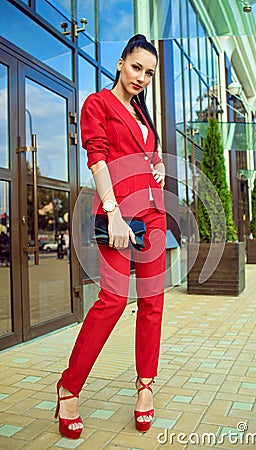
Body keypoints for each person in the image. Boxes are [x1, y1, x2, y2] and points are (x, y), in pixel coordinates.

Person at [55, 34, 166, 439]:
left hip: (154, 217)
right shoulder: (98, 104)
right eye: (136, 67)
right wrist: (115, 213)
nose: (141, 77)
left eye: (149, 73)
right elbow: (98, 157)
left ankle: (146, 388)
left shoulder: (143, 113)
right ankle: (69, 386)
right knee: (113, 301)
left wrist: (157, 170)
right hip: (119, 217)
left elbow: (146, 155)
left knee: (153, 301)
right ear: (121, 63)